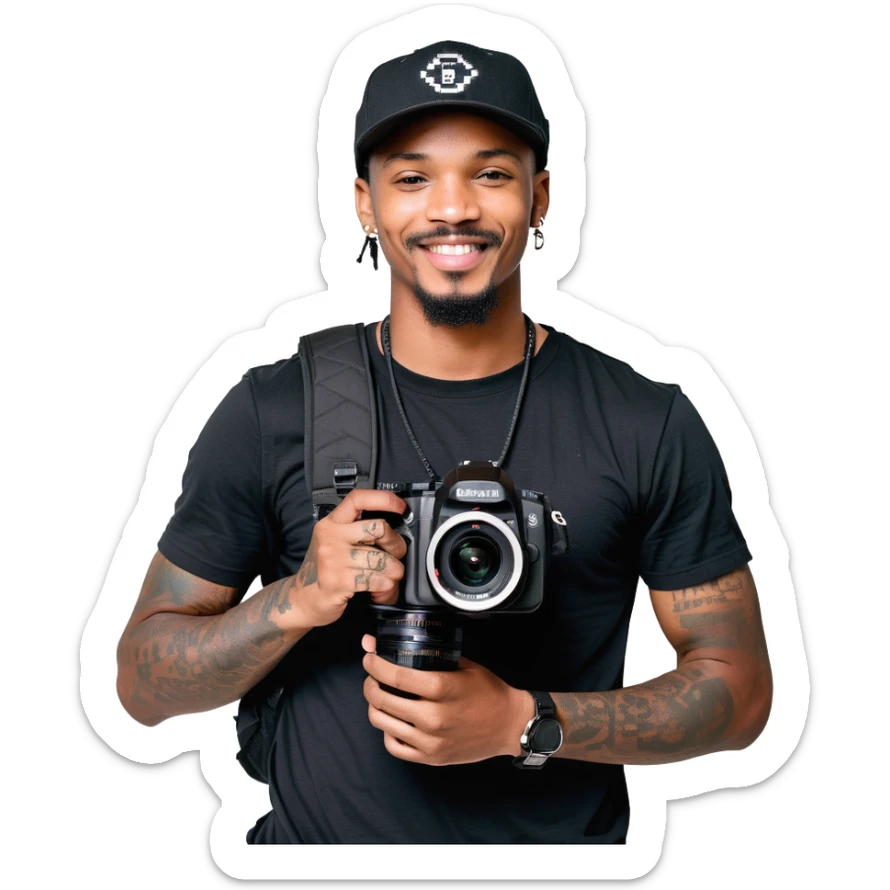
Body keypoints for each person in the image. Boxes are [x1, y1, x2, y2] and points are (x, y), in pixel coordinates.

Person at [115, 38, 773, 845]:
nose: (453, 208)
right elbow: (143, 690)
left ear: (540, 198)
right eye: (413, 176)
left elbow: (739, 695)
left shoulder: (643, 419)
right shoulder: (275, 409)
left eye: (491, 175)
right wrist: (298, 598)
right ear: (365, 202)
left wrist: (525, 724)